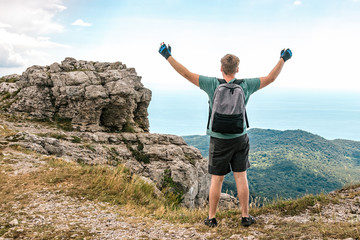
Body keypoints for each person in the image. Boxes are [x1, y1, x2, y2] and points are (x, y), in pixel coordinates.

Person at [158, 42, 292, 227]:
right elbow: (271, 78)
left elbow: (186, 73)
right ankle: (245, 217)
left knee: (217, 180)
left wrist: (167, 56)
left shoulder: (212, 84)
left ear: (221, 68)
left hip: (218, 139)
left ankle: (212, 218)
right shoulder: (246, 85)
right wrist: (283, 59)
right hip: (240, 138)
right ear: (237, 69)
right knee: (241, 176)